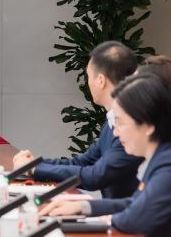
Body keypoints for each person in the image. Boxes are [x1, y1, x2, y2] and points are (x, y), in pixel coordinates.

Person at [40, 73, 171, 237]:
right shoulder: (159, 157)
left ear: (148, 125)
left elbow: (137, 218)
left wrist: (110, 219)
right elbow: (135, 203)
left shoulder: (167, 164)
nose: (115, 132)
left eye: (120, 122)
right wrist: (82, 207)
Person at [12, 41, 142, 198]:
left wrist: (34, 169)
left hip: (124, 212)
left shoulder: (131, 126)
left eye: (89, 76)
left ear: (101, 80)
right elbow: (83, 162)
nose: (88, 83)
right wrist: (35, 164)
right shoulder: (111, 122)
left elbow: (95, 176)